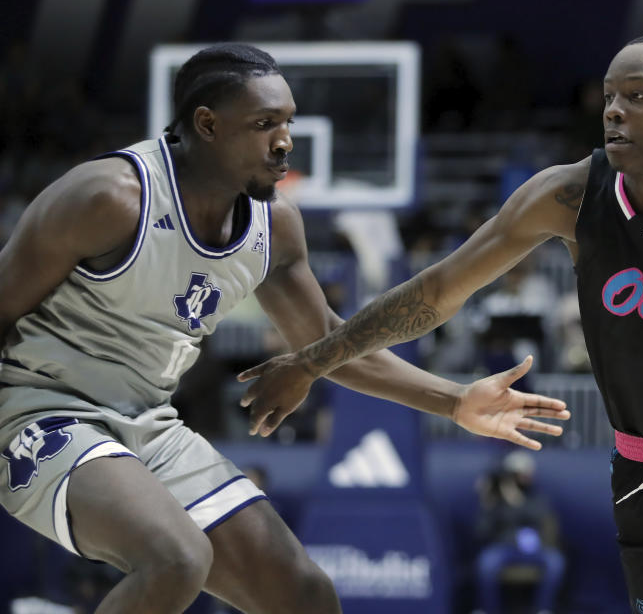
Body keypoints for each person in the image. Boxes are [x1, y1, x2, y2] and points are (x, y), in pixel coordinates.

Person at [240, 34, 643, 613]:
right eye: (609, 97)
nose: (614, 111)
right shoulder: (570, 194)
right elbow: (436, 292)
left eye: (638, 96)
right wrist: (310, 362)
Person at [0, 43, 571, 614]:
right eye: (264, 123)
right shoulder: (108, 197)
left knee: (305, 596)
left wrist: (455, 401)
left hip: (147, 423)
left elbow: (330, 346)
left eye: (288, 121)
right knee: (175, 559)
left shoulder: (274, 227)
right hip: (40, 410)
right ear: (207, 125)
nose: (285, 141)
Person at [472, 450, 565, 614]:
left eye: (524, 473)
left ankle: (544, 609)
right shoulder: (497, 500)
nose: (522, 478)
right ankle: (488, 610)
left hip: (535, 549)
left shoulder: (537, 496)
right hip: (505, 548)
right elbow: (481, 532)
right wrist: (488, 502)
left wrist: (516, 500)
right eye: (516, 474)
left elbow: (539, 516)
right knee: (486, 563)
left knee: (555, 562)